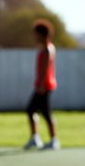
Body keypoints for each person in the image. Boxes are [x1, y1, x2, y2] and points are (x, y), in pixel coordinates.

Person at [23, 19, 59, 151]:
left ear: (41, 34)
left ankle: (53, 140)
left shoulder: (48, 49)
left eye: (36, 34)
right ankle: (36, 137)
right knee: (33, 110)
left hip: (45, 85)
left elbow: (45, 69)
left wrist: (42, 85)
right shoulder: (45, 48)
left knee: (42, 112)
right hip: (42, 84)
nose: (35, 36)